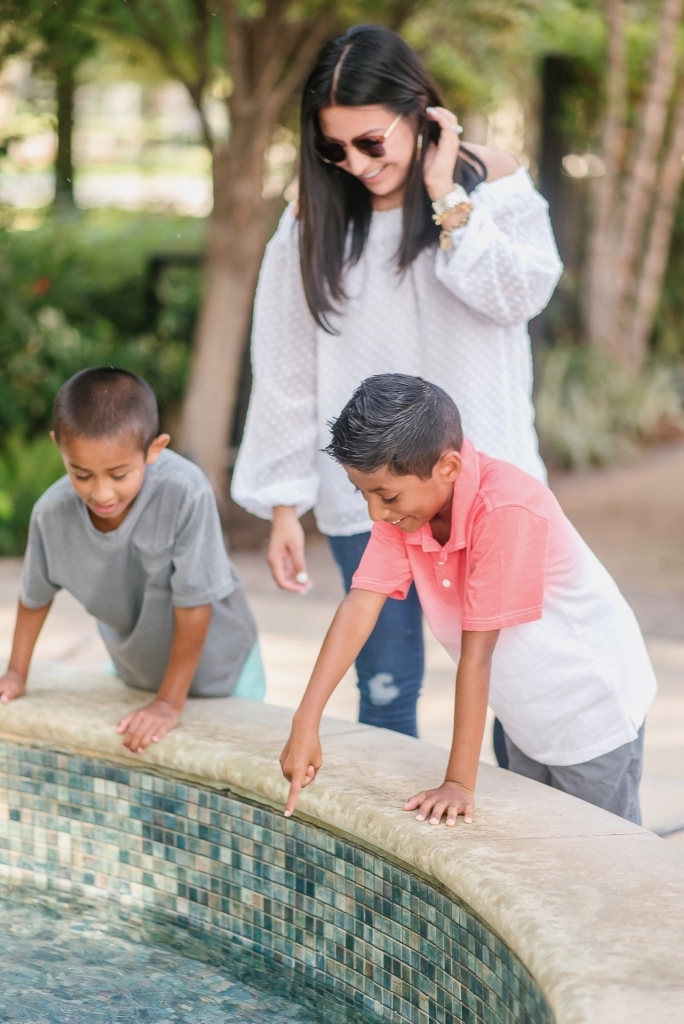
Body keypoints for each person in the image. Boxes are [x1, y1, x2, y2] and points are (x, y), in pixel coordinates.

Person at [232, 24, 563, 740]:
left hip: (488, 487)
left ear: (420, 113)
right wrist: (284, 504)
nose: (353, 163)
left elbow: (520, 295)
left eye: (371, 142)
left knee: (517, 691)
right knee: (384, 690)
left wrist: (447, 196)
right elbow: (286, 366)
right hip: (373, 497)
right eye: (333, 147)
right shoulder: (312, 221)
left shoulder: (494, 183)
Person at [280, 375, 656, 825]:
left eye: (386, 495)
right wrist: (306, 720)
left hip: (590, 715)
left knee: (601, 864)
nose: (375, 513)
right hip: (522, 714)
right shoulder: (406, 512)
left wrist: (458, 782)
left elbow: (477, 656)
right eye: (364, 494)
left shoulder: (504, 510)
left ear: (449, 468)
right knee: (531, 856)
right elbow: (361, 604)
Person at [0, 367, 265, 753]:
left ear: (154, 449)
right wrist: (16, 673)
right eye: (81, 474)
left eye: (119, 474)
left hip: (225, 669)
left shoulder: (185, 492)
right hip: (138, 672)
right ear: (60, 446)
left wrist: (167, 704)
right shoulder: (51, 515)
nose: (101, 492)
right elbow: (35, 596)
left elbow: (194, 604)